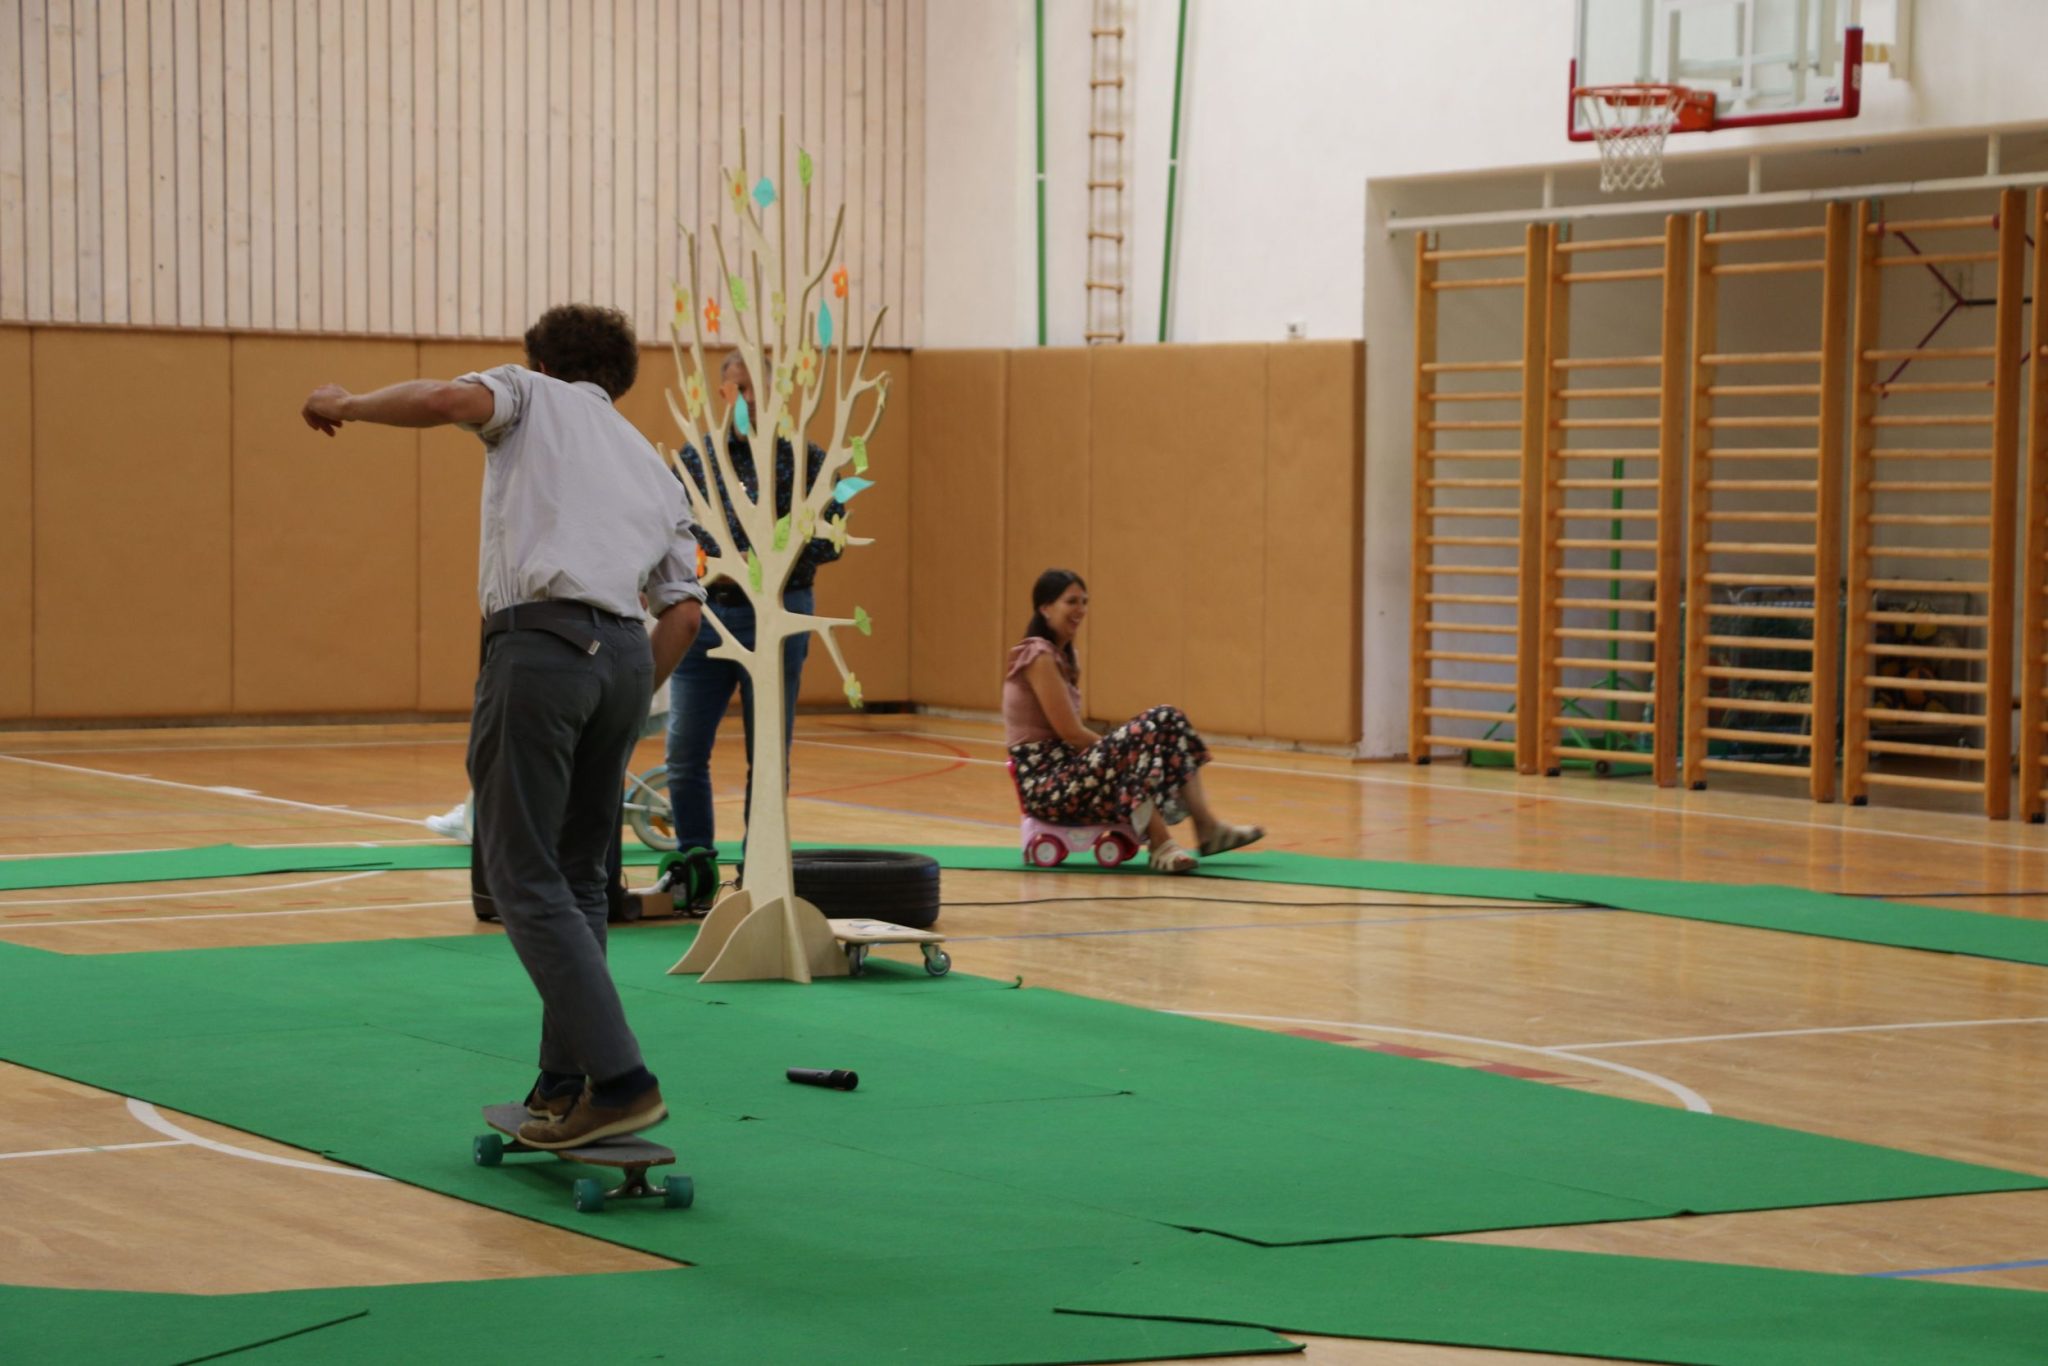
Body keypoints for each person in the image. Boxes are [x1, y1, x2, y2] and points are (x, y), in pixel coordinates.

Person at [299, 303, 705, 1150]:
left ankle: (622, 1082)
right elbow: (684, 614)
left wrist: (348, 402)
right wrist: (622, 697)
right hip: (626, 661)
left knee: (519, 875)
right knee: (581, 880)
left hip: (543, 648)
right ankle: (562, 1086)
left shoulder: (530, 393)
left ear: (543, 363)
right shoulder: (653, 464)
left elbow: (447, 400)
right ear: (620, 378)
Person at [660, 351, 844, 896]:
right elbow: (669, 531)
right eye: (737, 390)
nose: (746, 401)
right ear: (721, 394)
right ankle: (694, 865)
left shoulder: (807, 459)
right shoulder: (695, 460)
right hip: (705, 614)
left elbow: (832, 538)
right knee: (683, 750)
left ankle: (758, 871)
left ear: (777, 395)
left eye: (756, 392)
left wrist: (772, 557)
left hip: (778, 613)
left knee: (767, 754)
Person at [1003, 568, 1263, 874]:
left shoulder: (1064, 656)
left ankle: (1207, 828)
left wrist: (1122, 748)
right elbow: (1071, 733)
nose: (1081, 609)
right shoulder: (1038, 656)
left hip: (1070, 774)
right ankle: (1160, 843)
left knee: (1168, 717)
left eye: (1084, 602)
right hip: (1047, 787)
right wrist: (1124, 749)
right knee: (1142, 735)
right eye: (1071, 601)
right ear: (1045, 607)